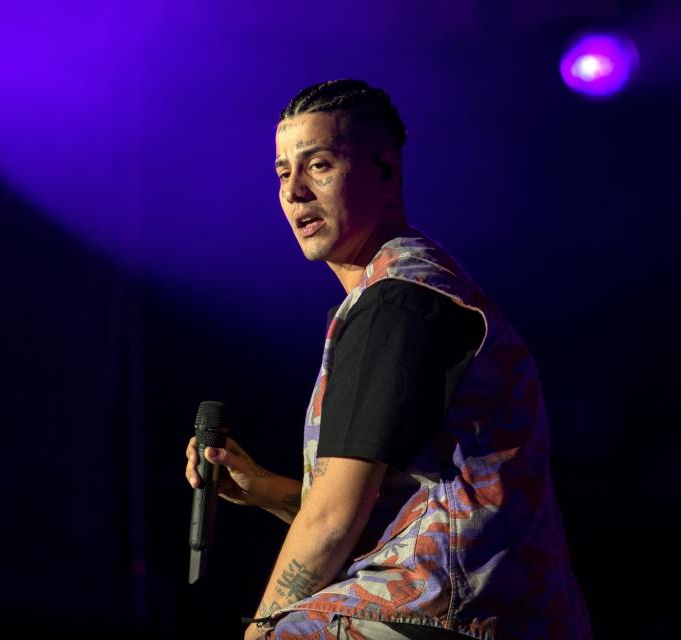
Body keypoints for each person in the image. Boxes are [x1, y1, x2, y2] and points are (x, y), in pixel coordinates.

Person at [184, 79, 591, 640]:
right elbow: (394, 506)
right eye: (283, 173)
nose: (295, 192)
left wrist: (260, 631)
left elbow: (331, 524)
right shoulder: (411, 288)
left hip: (450, 612)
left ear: (386, 172)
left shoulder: (397, 300)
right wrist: (261, 488)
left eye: (319, 165)